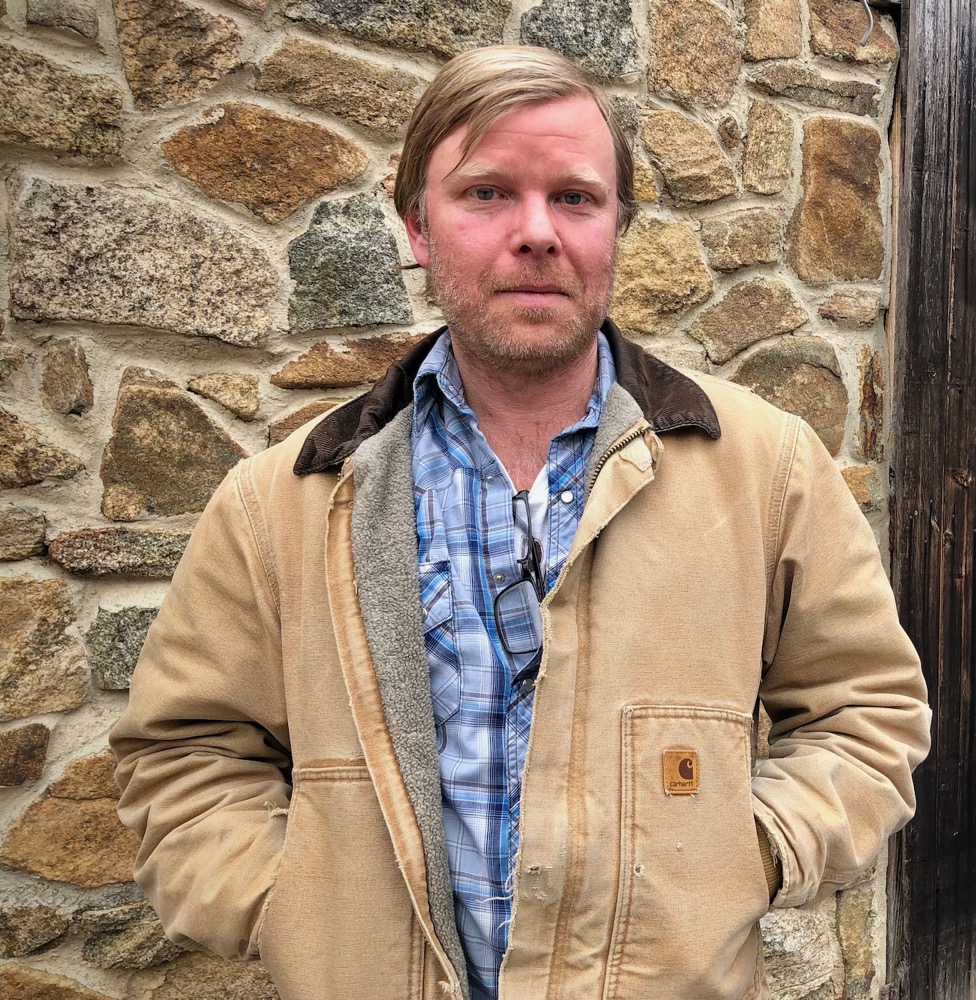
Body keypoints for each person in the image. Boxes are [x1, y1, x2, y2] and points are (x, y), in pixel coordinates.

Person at [112, 44, 930, 1000]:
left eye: (576, 198)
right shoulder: (280, 500)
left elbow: (866, 713)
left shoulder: (764, 467)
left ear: (619, 226)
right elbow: (184, 755)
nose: (538, 232)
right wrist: (291, 904)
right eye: (488, 193)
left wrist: (744, 853)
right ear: (417, 226)